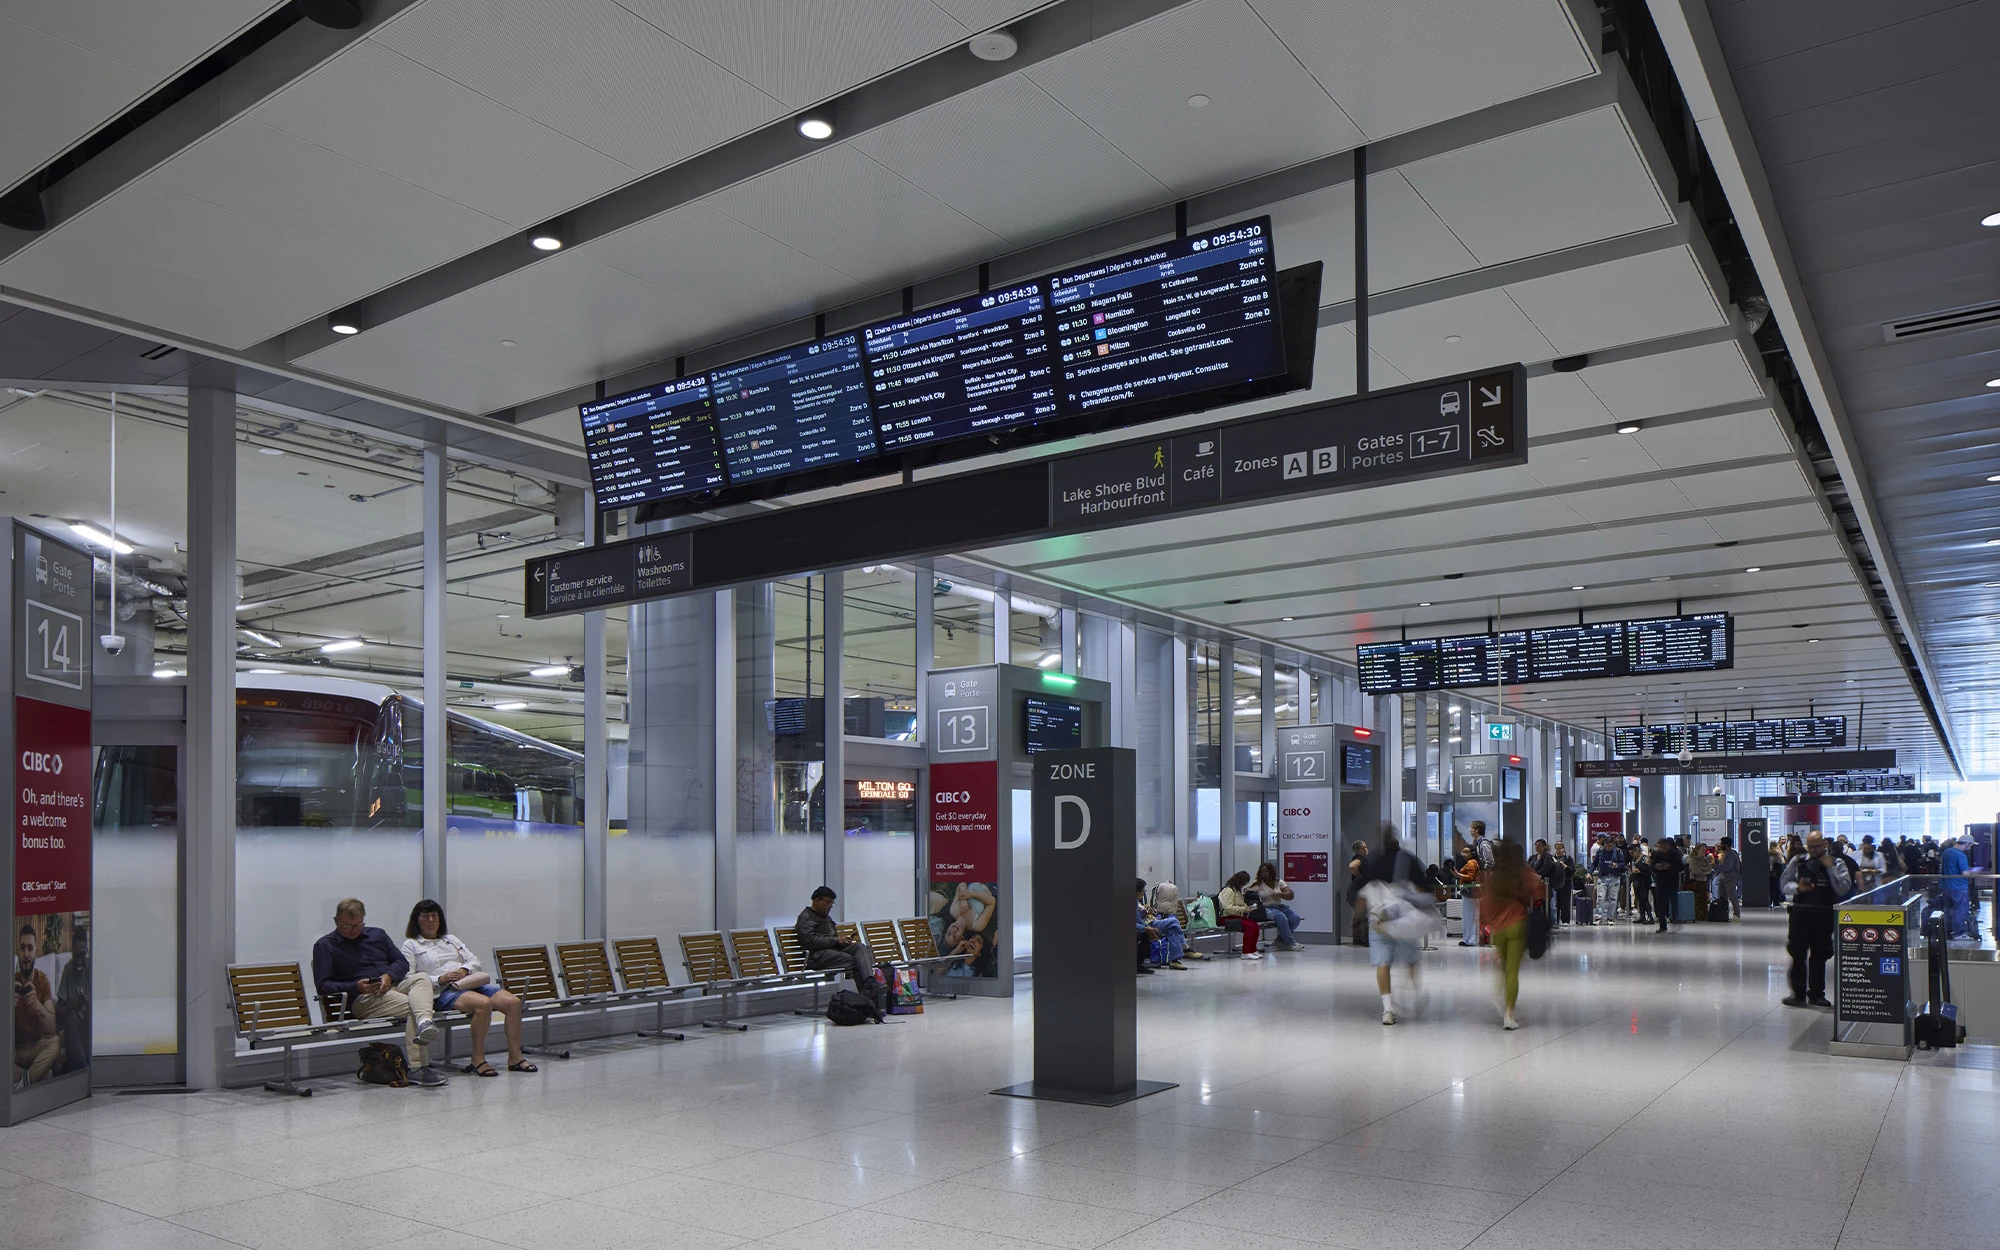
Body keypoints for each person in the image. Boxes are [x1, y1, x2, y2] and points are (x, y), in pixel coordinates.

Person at [311, 898, 448, 1086]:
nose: (354, 930)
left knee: (421, 978)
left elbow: (401, 962)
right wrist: (356, 986)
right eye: (347, 926)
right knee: (414, 1008)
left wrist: (388, 976)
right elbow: (323, 986)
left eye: (358, 925)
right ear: (336, 921)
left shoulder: (377, 935)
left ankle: (424, 1022)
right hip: (364, 998)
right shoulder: (325, 946)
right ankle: (418, 1067)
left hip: (392, 986)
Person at [403, 900, 534, 1076]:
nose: (431, 920)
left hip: (468, 982)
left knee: (513, 1003)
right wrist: (440, 979)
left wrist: (464, 969)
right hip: (441, 991)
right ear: (416, 920)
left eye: (434, 916)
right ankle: (478, 1058)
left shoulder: (451, 940)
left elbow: (474, 961)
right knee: (483, 1004)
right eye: (425, 916)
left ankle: (515, 1057)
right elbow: (409, 978)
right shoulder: (411, 945)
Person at [1359, 830, 1428, 1024]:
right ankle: (1415, 996)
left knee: (1383, 963)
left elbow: (1362, 894)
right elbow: (1422, 885)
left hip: (1378, 918)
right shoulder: (1406, 860)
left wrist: (1356, 921)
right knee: (1411, 959)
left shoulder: (1372, 862)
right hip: (1402, 918)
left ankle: (1387, 1009)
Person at [1780, 833, 1852, 1007]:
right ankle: (1798, 994)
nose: (1813, 850)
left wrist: (1830, 868)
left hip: (1823, 914)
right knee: (1797, 953)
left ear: (1825, 844)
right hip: (1800, 913)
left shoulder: (1838, 863)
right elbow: (1784, 884)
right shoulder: (1798, 861)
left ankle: (1817, 994)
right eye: (1810, 846)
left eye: (1817, 846)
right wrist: (1798, 888)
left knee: (1820, 954)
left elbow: (1843, 888)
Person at [1482, 841, 1544, 1031]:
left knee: (1502, 965)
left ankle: (1497, 992)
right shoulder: (1523, 872)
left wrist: (1485, 926)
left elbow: (1485, 904)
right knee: (1512, 971)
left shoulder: (1494, 876)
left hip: (1498, 928)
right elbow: (1539, 894)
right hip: (1517, 923)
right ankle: (1509, 1016)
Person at [796, 887, 882, 1001]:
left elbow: (830, 939)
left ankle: (869, 982)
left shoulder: (825, 917)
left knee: (860, 948)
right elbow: (809, 940)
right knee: (858, 961)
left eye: (832, 903)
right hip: (817, 956)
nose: (830, 906)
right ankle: (868, 997)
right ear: (816, 900)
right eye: (827, 902)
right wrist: (836, 940)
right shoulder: (806, 917)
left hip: (833, 952)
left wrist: (843, 942)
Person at [13, 925, 60, 1086]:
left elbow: (52, 1028)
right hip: (15, 1051)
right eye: (22, 948)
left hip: (36, 1048)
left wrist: (38, 1006)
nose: (26, 954)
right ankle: (30, 1077)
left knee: (55, 1042)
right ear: (18, 952)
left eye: (30, 948)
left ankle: (22, 1080)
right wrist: (7, 1008)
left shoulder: (42, 981)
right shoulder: (10, 981)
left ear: (36, 953)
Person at [54, 924, 89, 1075]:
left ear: (86, 952)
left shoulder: (91, 967)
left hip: (88, 1022)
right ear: (72, 954)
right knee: (70, 1017)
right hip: (73, 1027)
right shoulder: (68, 970)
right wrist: (72, 1005)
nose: (79, 960)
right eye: (76, 955)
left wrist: (86, 1002)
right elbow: (58, 1013)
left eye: (82, 955)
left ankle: (81, 1069)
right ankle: (85, 1070)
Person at [1250, 862, 1304, 951]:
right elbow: (1247, 893)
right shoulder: (1257, 884)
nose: (1264, 873)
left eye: (1266, 871)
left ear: (1271, 871)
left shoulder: (1278, 882)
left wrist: (1279, 894)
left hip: (1279, 906)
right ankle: (1290, 942)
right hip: (1266, 908)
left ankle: (1280, 940)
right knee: (1281, 917)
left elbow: (1290, 894)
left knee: (1295, 918)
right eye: (1262, 872)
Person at [1137, 879, 1187, 970]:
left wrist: (1148, 913)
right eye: (1143, 891)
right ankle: (1185, 947)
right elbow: (1134, 919)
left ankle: (1175, 960)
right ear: (1137, 892)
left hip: (1149, 923)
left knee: (1172, 930)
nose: (1143, 893)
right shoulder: (1130, 903)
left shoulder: (1136, 902)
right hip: (1149, 924)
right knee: (1173, 921)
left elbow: (1137, 918)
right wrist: (1145, 916)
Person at [1218, 871, 1264, 960]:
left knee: (1255, 926)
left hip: (1236, 916)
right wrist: (1243, 909)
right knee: (1249, 927)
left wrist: (1247, 907)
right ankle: (1246, 952)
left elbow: (1240, 903)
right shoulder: (1229, 890)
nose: (1244, 885)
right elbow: (1227, 907)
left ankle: (1253, 949)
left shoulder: (1237, 890)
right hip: (1226, 918)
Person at [1940, 837, 1974, 939]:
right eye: (1971, 844)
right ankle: (1958, 933)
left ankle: (1947, 931)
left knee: (1947, 909)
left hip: (1946, 885)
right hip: (1959, 886)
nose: (1971, 847)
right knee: (1960, 909)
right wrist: (1973, 872)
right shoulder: (1961, 855)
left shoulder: (1946, 852)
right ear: (1966, 843)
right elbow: (1965, 873)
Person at [1650, 837, 1684, 933]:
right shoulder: (1656, 855)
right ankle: (1662, 925)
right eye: (1659, 847)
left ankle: (1675, 919)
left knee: (1674, 903)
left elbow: (1681, 867)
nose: (1661, 849)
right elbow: (1651, 866)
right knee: (1661, 904)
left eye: (1663, 847)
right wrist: (1656, 867)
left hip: (1672, 882)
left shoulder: (1674, 854)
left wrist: (1670, 867)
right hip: (1661, 882)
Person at [1591, 836, 1625, 921]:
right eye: (1607, 845)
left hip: (1614, 877)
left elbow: (1622, 863)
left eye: (1611, 846)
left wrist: (1617, 865)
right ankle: (1598, 917)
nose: (1609, 848)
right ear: (1604, 844)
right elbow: (1594, 863)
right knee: (1600, 898)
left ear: (1613, 844)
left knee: (1613, 899)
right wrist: (1589, 872)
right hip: (1603, 877)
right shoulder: (1600, 851)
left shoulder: (1618, 852)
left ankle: (1610, 917)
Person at [1715, 837, 1742, 920]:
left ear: (1726, 844)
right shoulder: (1725, 854)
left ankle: (1737, 914)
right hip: (1723, 878)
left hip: (1730, 878)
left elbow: (1727, 867)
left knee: (1732, 896)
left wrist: (1716, 867)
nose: (1720, 845)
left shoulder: (1732, 854)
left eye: (1722, 843)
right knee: (1722, 896)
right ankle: (1723, 913)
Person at [1551, 844, 1577, 926]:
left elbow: (1572, 870)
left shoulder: (1568, 859)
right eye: (1556, 849)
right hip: (1555, 883)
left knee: (1565, 902)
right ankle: (1555, 920)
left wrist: (1564, 866)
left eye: (1559, 849)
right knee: (1555, 903)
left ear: (1563, 849)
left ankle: (1565, 920)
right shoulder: (1552, 858)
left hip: (1566, 883)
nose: (1558, 851)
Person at [1629, 843, 1654, 926]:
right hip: (1636, 881)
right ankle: (1642, 916)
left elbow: (1649, 870)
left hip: (1644, 881)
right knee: (1639, 899)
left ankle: (1650, 916)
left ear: (1637, 851)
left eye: (1633, 853)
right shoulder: (1633, 860)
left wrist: (1640, 871)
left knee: (1644, 898)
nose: (1632, 855)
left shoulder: (1645, 859)